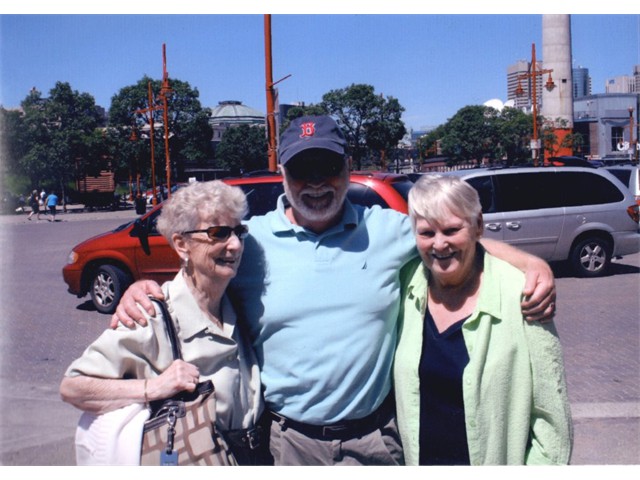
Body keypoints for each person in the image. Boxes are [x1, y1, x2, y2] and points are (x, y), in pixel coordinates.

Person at [111, 115, 556, 466]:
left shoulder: (385, 230)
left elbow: (451, 236)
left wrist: (529, 261)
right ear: (283, 172)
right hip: (288, 445)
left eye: (328, 167)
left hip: (377, 443)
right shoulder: (251, 242)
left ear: (346, 168)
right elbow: (197, 276)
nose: (317, 183)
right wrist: (144, 289)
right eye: (303, 170)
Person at [60, 180, 268, 465]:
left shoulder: (238, 300)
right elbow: (74, 387)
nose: (234, 244)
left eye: (238, 231)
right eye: (218, 233)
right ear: (181, 244)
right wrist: (154, 388)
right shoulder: (152, 314)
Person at [394, 174, 572, 465]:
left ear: (478, 226)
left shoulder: (522, 294)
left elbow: (552, 420)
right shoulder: (405, 287)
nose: (439, 244)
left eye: (452, 230)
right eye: (427, 233)